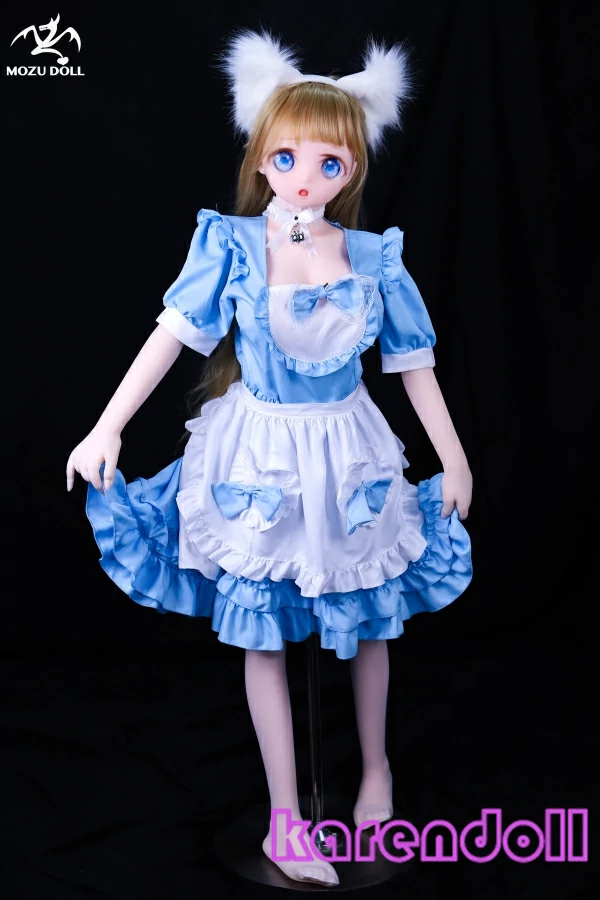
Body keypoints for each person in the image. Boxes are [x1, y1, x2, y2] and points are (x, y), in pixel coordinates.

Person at [66, 29, 473, 887]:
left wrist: (454, 457)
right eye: (287, 157)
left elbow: (415, 364)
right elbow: (173, 334)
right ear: (261, 159)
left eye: (329, 161)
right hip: (262, 458)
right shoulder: (232, 245)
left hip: (350, 454)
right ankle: (287, 819)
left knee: (369, 612)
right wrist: (107, 426)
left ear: (352, 167)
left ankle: (375, 773)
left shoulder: (374, 259)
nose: (305, 176)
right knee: (261, 628)